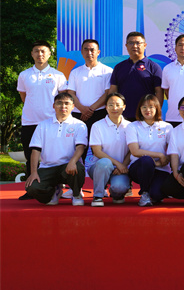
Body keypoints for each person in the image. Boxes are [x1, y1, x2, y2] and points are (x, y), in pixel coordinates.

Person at [17, 40, 68, 200]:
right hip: (30, 122)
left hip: (52, 122)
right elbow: (24, 97)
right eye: (36, 51)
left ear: (49, 54)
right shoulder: (24, 75)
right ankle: (31, 189)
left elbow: (63, 99)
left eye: (43, 51)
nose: (40, 54)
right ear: (32, 54)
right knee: (30, 156)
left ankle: (56, 187)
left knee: (53, 156)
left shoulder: (58, 75)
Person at [23, 93, 88, 205]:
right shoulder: (43, 125)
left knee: (78, 167)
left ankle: (76, 194)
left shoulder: (79, 125)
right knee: (32, 187)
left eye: (67, 103)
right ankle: (53, 192)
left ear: (73, 106)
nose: (63, 106)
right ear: (53, 106)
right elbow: (35, 150)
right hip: (47, 167)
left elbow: (80, 147)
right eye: (59, 103)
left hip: (68, 166)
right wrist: (33, 172)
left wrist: (72, 161)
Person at [66, 39, 113, 154]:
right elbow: (71, 93)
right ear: (82, 52)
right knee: (78, 147)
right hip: (78, 114)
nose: (89, 52)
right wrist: (82, 109)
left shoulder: (107, 71)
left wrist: (91, 109)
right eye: (86, 49)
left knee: (99, 148)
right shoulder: (75, 72)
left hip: (100, 114)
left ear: (98, 52)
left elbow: (108, 93)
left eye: (92, 50)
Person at [125, 94, 173, 207]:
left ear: (157, 108)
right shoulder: (133, 126)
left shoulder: (167, 127)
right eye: (144, 107)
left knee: (157, 194)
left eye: (151, 107)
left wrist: (159, 162)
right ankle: (144, 193)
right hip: (139, 167)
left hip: (161, 168)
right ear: (139, 109)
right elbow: (135, 151)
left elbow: (172, 151)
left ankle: (153, 191)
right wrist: (159, 155)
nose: (147, 110)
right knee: (146, 160)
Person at [87, 93, 131, 206]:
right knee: (104, 163)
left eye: (118, 105)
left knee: (119, 188)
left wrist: (123, 166)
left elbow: (132, 150)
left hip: (121, 169)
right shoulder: (97, 126)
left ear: (124, 107)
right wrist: (117, 164)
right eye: (111, 105)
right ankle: (98, 196)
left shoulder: (131, 126)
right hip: (100, 167)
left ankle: (116, 193)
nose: (114, 108)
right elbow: (97, 152)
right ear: (106, 107)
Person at [109, 31, 163, 122]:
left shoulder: (153, 67)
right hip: (122, 117)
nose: (134, 46)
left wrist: (156, 113)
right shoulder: (119, 67)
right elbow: (113, 90)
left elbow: (159, 92)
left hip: (145, 116)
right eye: (131, 43)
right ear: (126, 46)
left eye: (138, 43)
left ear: (145, 45)